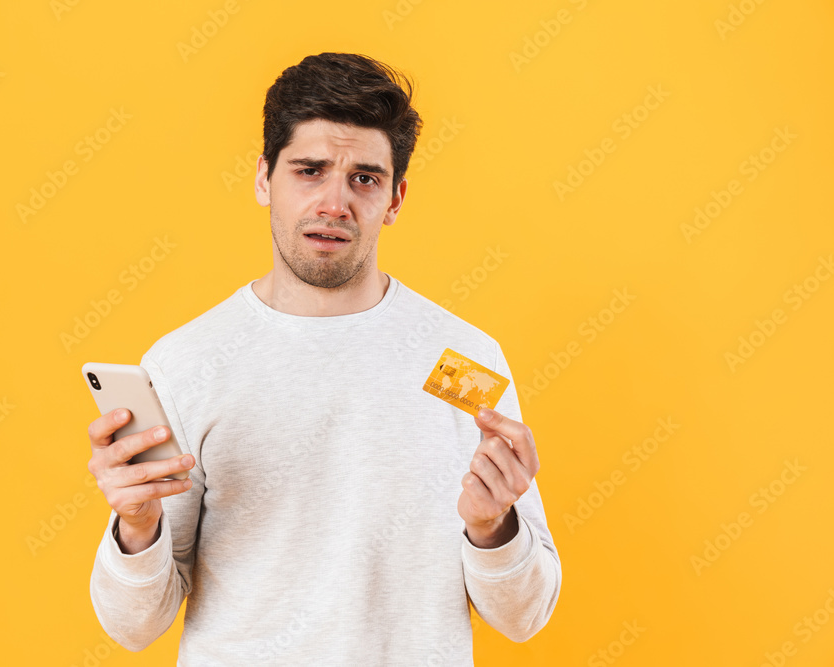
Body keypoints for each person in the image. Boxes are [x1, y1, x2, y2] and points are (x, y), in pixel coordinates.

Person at [87, 52, 561, 665]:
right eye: (310, 170)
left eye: (364, 177)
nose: (335, 202)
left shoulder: (461, 360)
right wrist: (137, 525)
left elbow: (525, 619)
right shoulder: (187, 364)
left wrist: (493, 528)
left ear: (395, 198)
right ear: (264, 179)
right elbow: (134, 628)